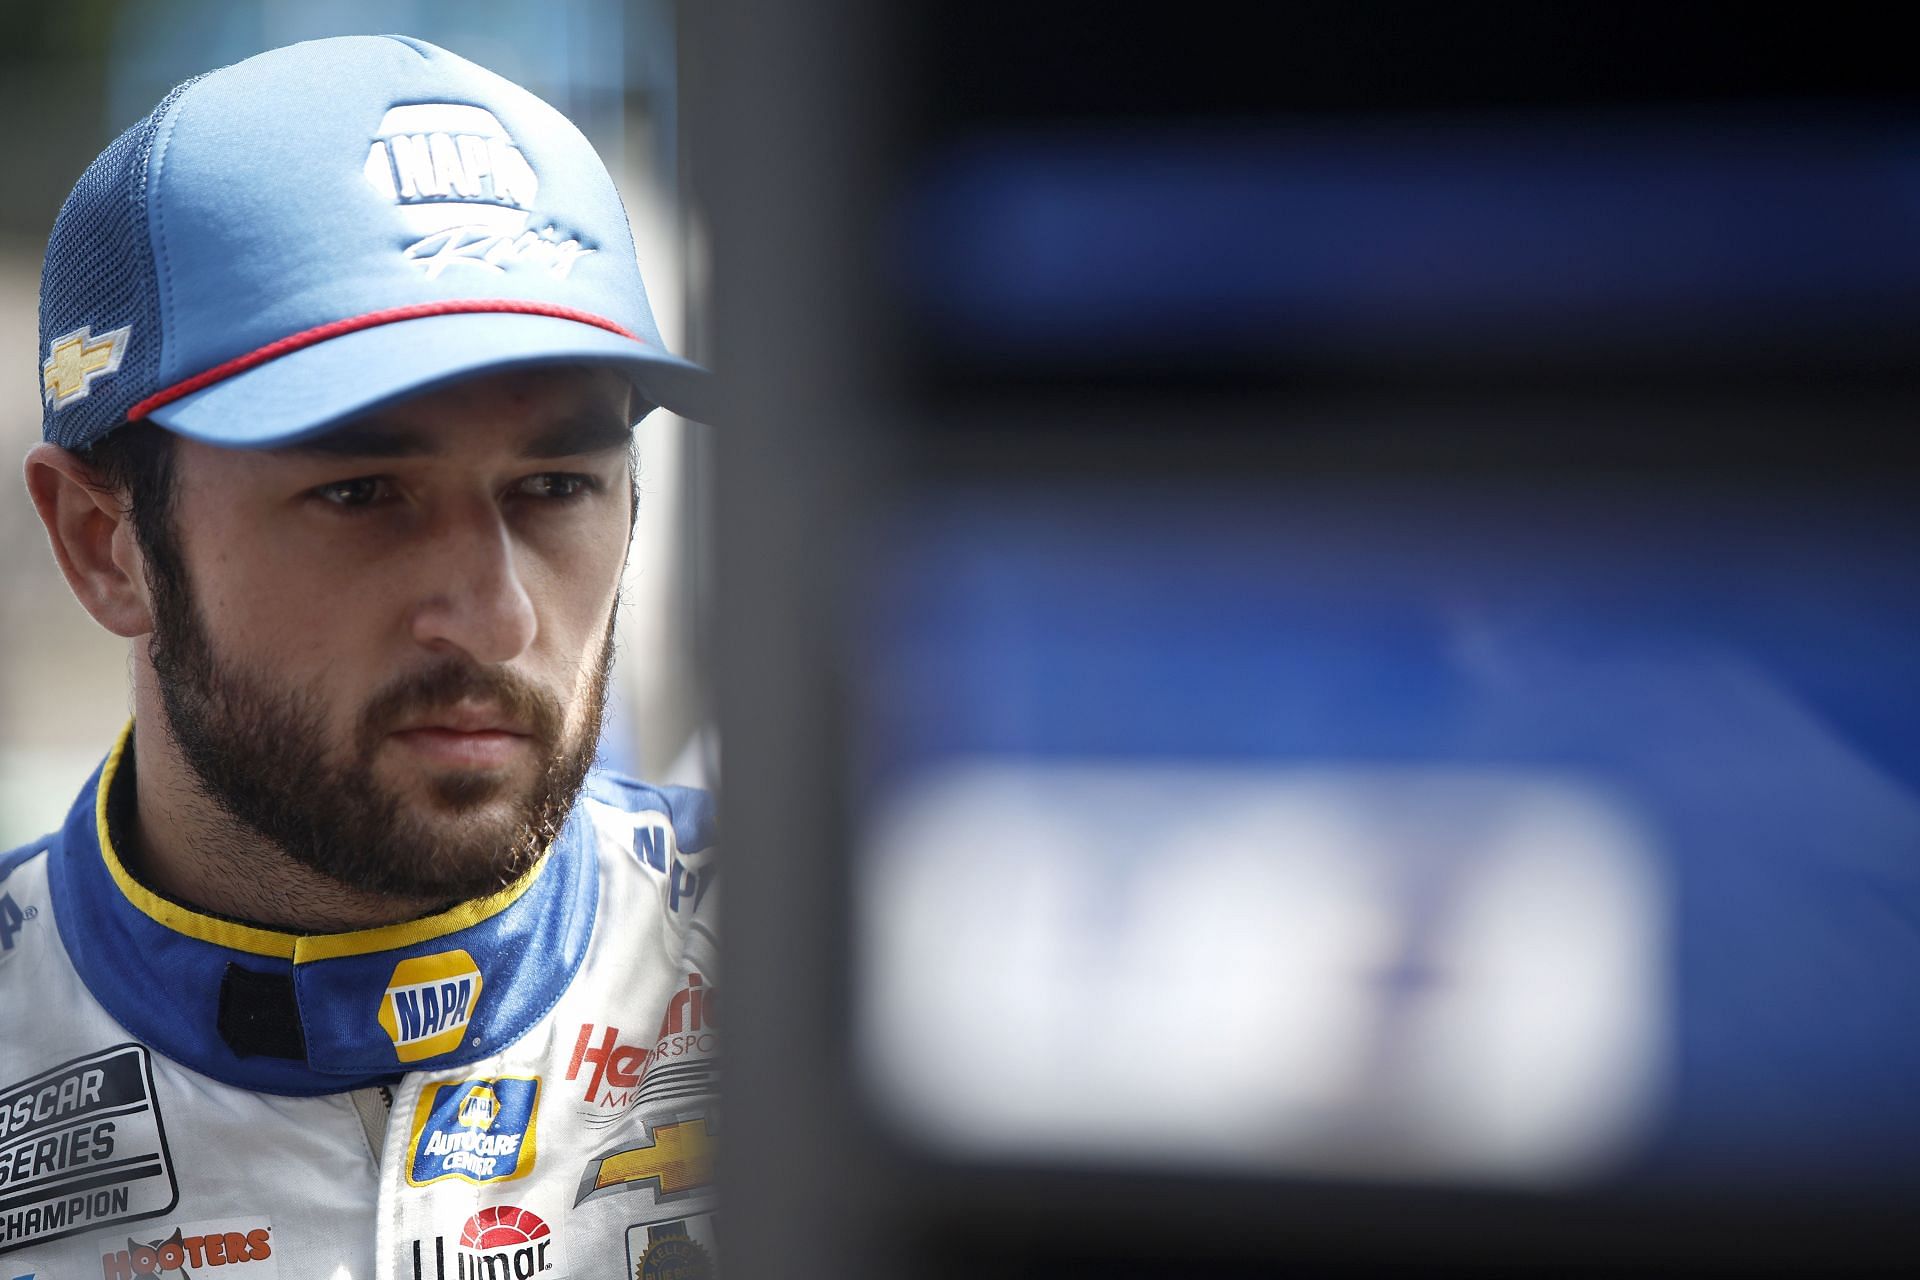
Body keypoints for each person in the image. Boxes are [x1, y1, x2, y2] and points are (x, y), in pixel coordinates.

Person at [0, 35, 717, 1280]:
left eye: (556, 486)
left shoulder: (839, 979)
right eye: (364, 491)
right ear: (106, 543)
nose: (495, 617)